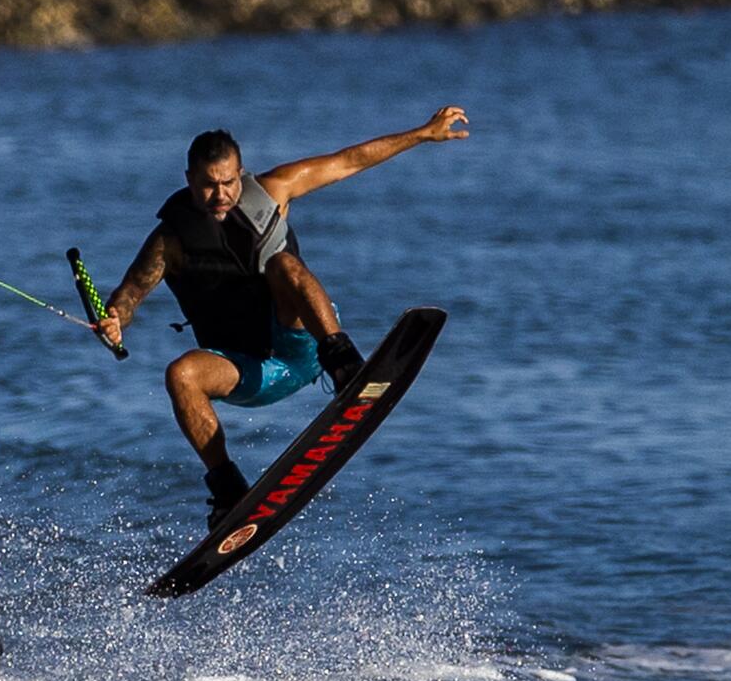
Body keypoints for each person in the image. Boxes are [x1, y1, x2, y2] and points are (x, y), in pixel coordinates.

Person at [94, 106, 470, 528]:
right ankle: (227, 490)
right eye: (208, 186)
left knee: (282, 265)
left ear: (241, 174)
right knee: (181, 374)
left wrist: (421, 133)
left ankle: (346, 367)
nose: (220, 195)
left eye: (228, 183)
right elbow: (128, 296)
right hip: (245, 368)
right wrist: (114, 321)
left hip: (304, 343)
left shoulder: (273, 191)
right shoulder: (170, 242)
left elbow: (348, 160)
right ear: (189, 181)